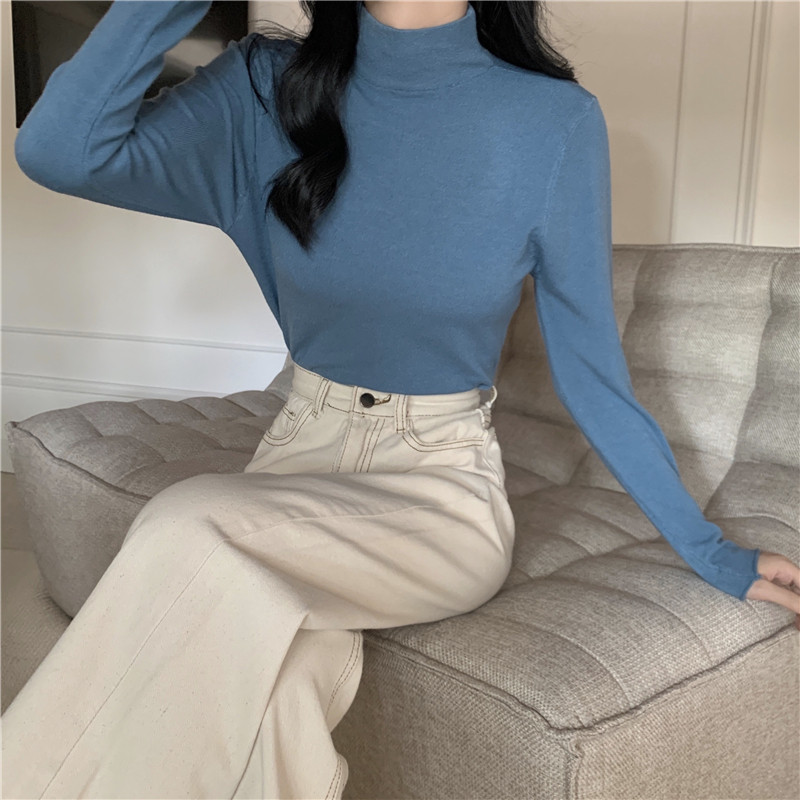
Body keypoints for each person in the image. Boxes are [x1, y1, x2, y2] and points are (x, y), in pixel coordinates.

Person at [5, 0, 799, 797]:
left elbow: (592, 372)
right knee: (279, 688)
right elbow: (59, 151)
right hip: (297, 458)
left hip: (441, 491)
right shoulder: (265, 89)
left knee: (188, 523)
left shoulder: (551, 121)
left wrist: (710, 551)